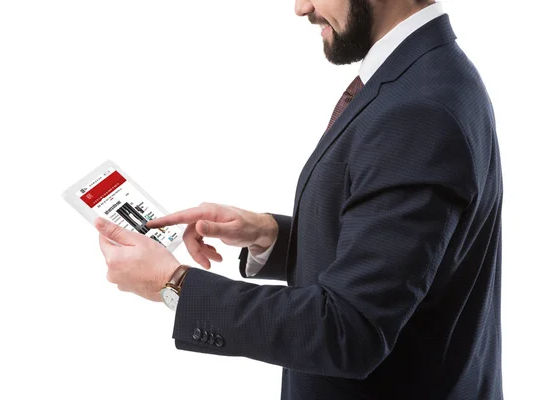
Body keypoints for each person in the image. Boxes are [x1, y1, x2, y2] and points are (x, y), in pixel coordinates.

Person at [94, 0, 503, 398]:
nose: (301, 8)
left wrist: (173, 283)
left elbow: (350, 331)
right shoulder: (429, 73)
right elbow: (408, 264)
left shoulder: (418, 109)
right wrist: (271, 236)